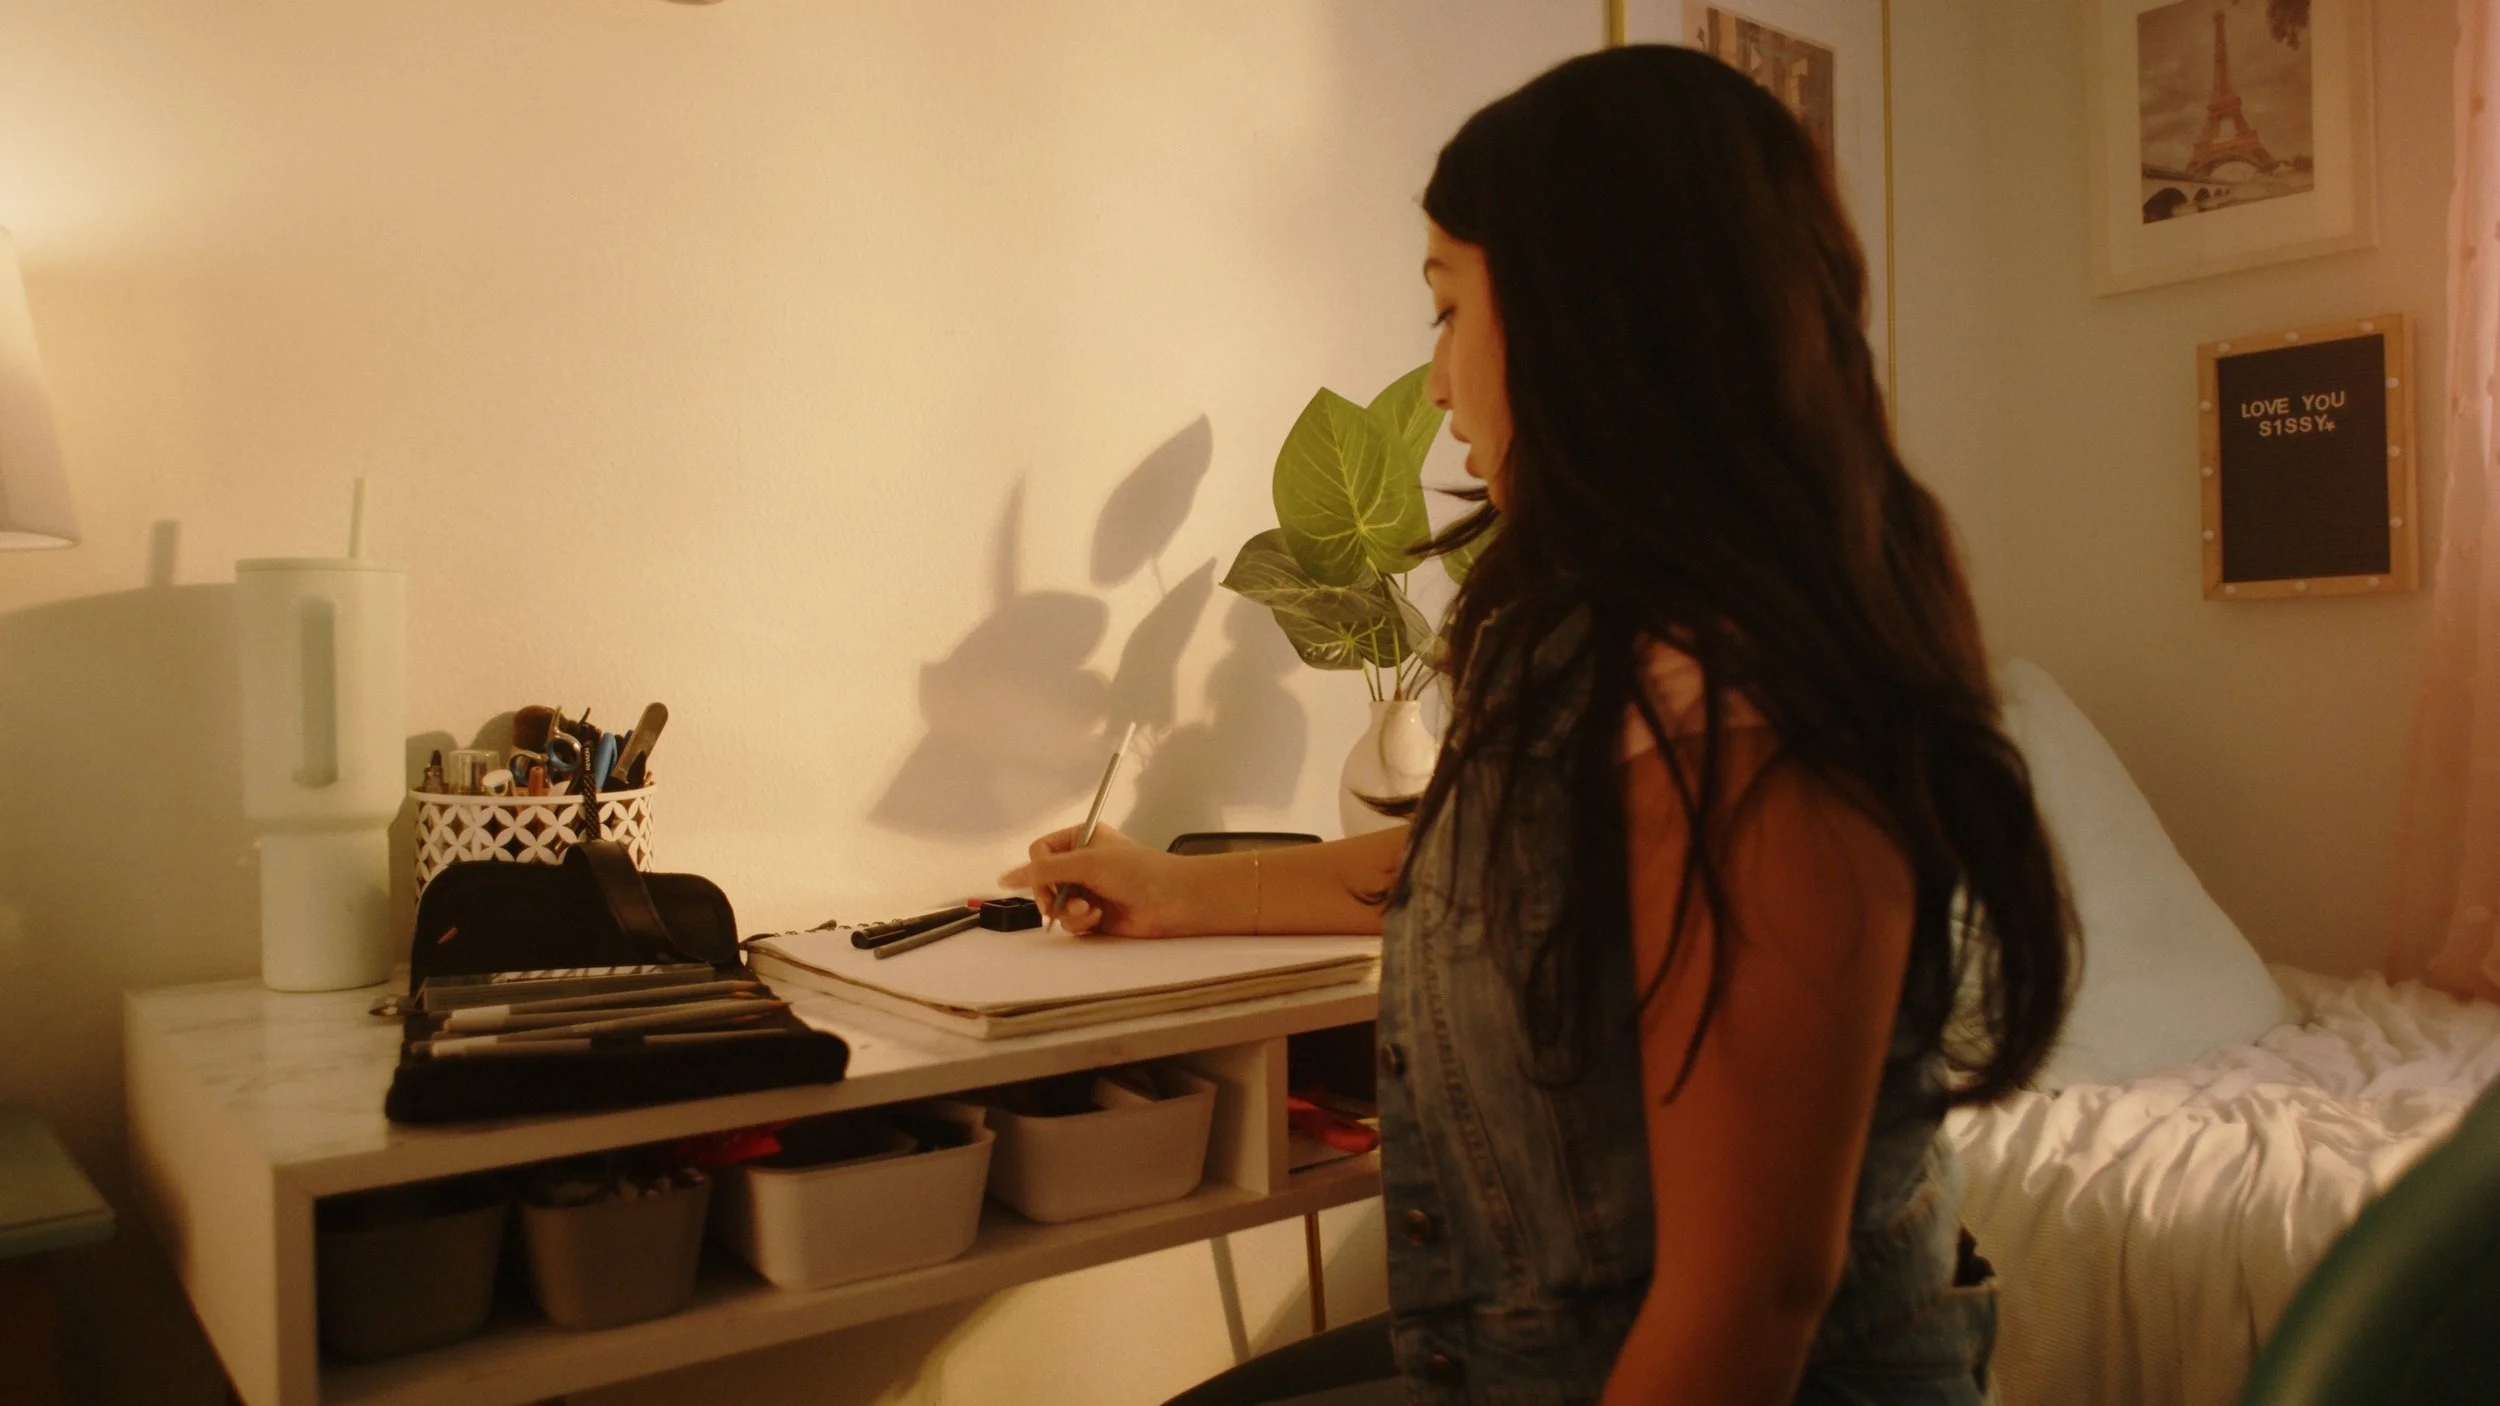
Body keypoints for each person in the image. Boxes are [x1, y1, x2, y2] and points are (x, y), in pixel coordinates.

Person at [1002, 44, 2072, 1406]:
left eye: (1448, 308)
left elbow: (1745, 1309)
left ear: (1594, 322)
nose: (1437, 381)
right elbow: (1460, 876)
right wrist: (1164, 887)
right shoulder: (1595, 639)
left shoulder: (1752, 712)